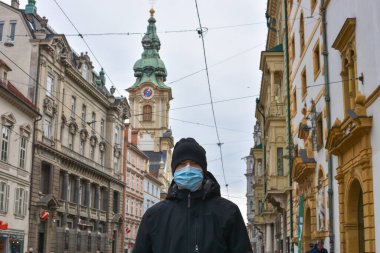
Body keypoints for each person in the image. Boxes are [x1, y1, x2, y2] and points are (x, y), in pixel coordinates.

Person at [133, 138, 252, 253]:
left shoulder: (228, 212)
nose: (188, 168)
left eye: (194, 163)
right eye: (182, 163)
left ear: (203, 170)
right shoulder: (153, 216)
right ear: (174, 170)